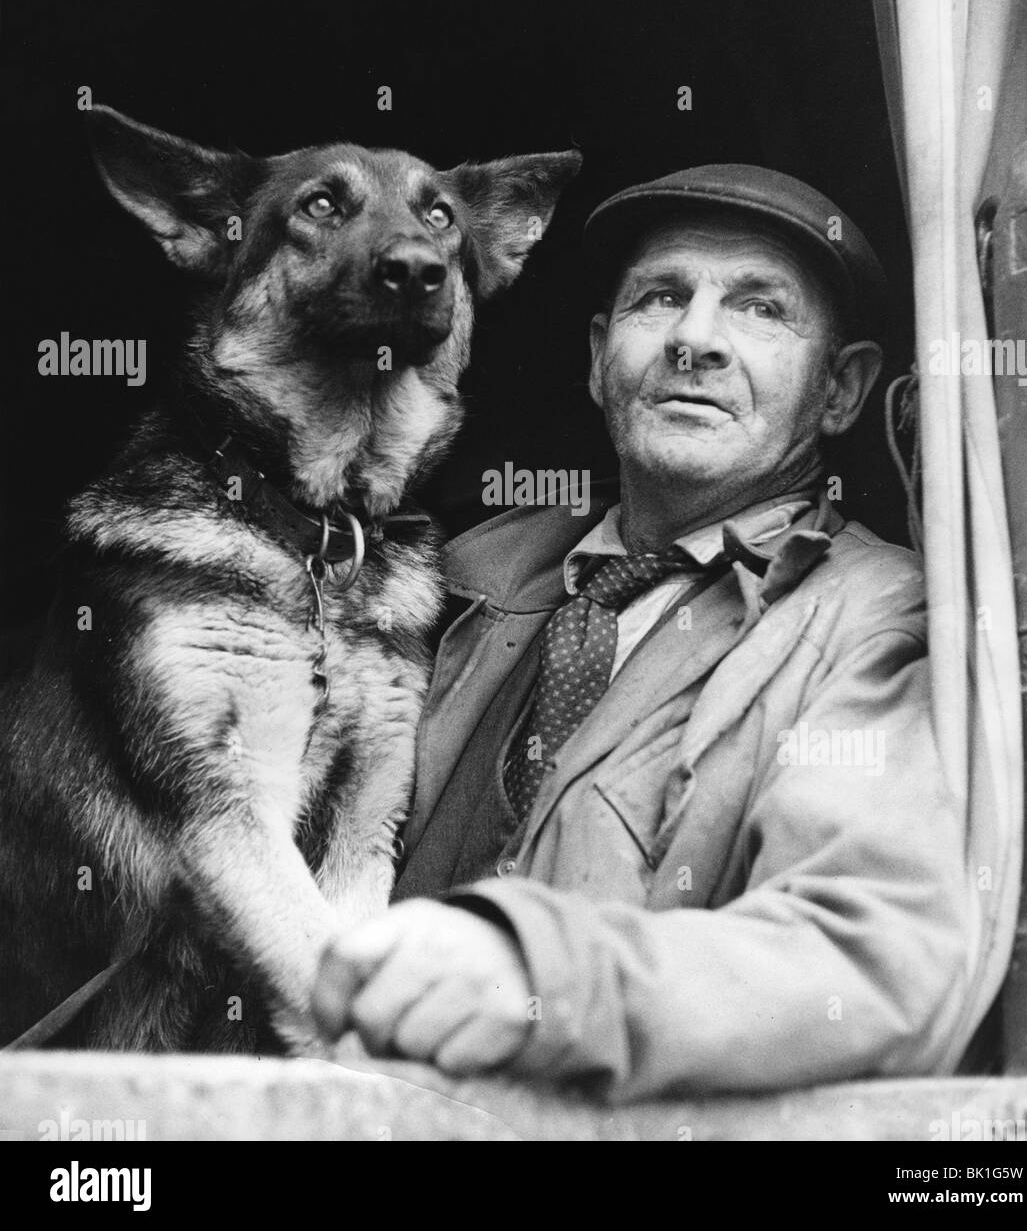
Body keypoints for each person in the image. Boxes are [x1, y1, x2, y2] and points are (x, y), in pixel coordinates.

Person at [311, 165, 970, 1101]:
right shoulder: (446, 570)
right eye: (660, 298)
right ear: (595, 356)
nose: (694, 340)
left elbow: (869, 956)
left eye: (759, 310)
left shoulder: (872, 615)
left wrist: (536, 973)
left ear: (841, 390)